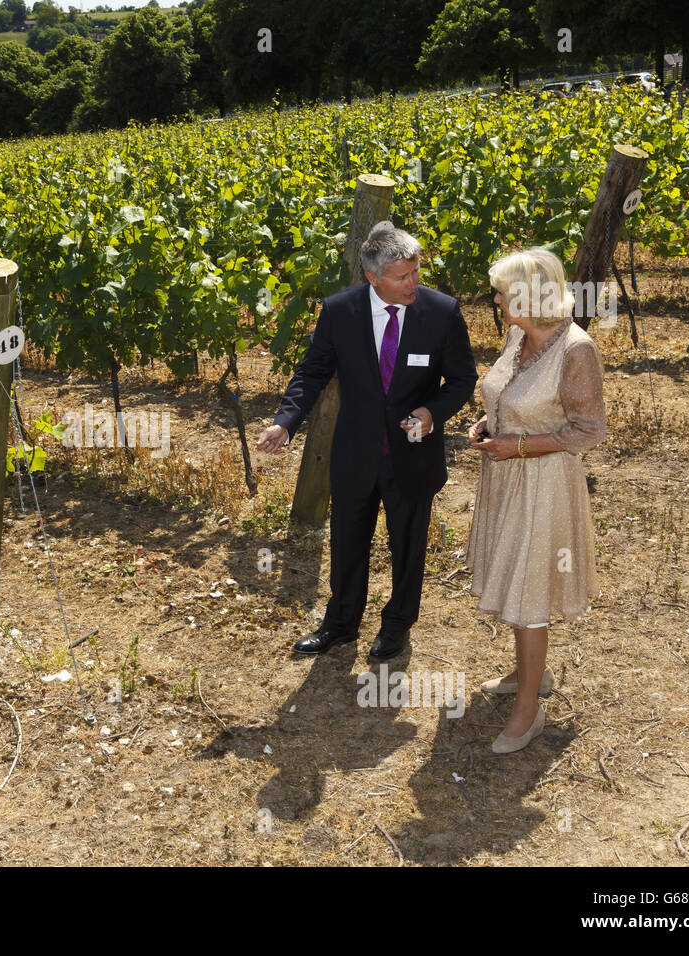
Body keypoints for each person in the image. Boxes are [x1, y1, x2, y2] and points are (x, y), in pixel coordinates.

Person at [256, 222, 477, 661]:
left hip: (412, 455)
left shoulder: (441, 311)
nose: (414, 282)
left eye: (416, 271)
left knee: (407, 547)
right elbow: (312, 372)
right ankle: (340, 623)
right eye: (402, 276)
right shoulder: (340, 311)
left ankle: (397, 625)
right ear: (373, 278)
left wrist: (431, 412)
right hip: (356, 454)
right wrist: (286, 422)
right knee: (347, 541)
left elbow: (462, 379)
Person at [467, 247, 607, 753]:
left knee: (530, 589)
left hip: (545, 486)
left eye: (502, 291)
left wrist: (518, 444)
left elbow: (590, 430)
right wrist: (490, 423)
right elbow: (508, 393)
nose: (497, 298)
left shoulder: (575, 349)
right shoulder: (517, 335)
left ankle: (529, 712)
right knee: (518, 580)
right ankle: (530, 673)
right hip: (506, 479)